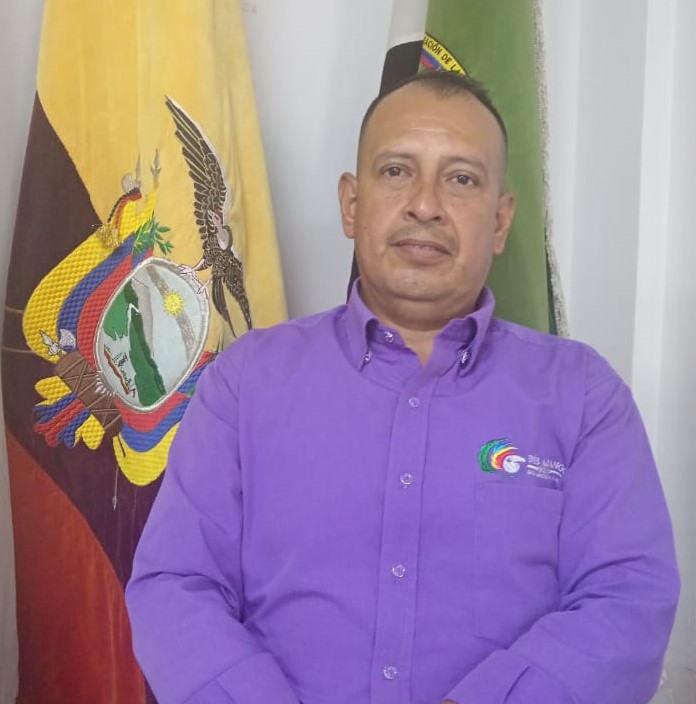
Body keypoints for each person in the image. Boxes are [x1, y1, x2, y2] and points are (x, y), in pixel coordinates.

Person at [126, 71, 679, 704]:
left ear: (501, 222)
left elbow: (627, 600)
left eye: (461, 179)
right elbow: (176, 584)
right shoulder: (245, 383)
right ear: (351, 204)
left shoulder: (582, 396)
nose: (425, 204)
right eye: (396, 171)